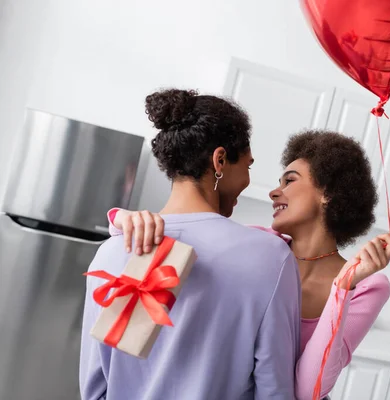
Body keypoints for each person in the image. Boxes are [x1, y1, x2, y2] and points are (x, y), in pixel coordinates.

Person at [111, 127, 390, 399]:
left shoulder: (367, 285)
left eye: (290, 180)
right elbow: (181, 237)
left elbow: (308, 390)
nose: (274, 192)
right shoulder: (258, 246)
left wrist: (343, 287)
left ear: (329, 193)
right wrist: (123, 218)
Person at [79, 89, 302, 400]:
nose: (248, 180)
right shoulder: (270, 257)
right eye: (247, 167)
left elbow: (95, 389)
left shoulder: (113, 251)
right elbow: (274, 391)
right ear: (220, 160)